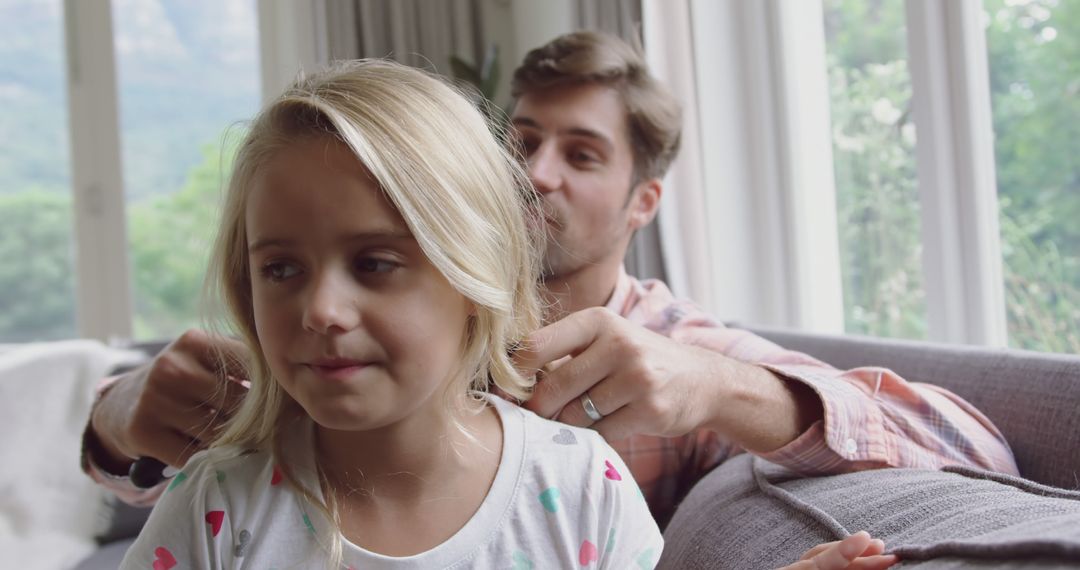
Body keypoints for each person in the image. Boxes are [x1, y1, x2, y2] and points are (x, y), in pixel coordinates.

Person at [82, 30, 1015, 534]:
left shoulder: (666, 358)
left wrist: (722, 389)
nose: (535, 174)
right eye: (520, 141)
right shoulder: (330, 324)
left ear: (644, 201)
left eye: (582, 152)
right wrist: (120, 417)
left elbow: (985, 459)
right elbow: (177, 494)